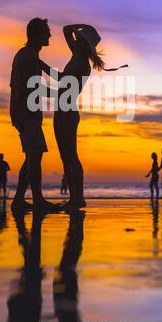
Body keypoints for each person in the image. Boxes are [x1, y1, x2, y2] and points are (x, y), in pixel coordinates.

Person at [38, 24, 105, 209]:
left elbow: (61, 80)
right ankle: (74, 198)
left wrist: (40, 64)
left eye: (81, 40)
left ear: (86, 46)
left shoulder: (82, 65)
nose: (77, 40)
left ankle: (78, 197)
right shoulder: (76, 53)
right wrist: (85, 26)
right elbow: (67, 29)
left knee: (71, 156)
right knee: (65, 156)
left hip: (67, 111)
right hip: (61, 110)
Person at [10, 18, 59, 211]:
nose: (49, 35)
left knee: (31, 156)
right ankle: (38, 200)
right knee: (35, 154)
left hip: (25, 112)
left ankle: (19, 199)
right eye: (46, 32)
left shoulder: (30, 55)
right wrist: (61, 94)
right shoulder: (28, 56)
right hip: (25, 112)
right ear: (36, 34)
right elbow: (35, 87)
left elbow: (48, 76)